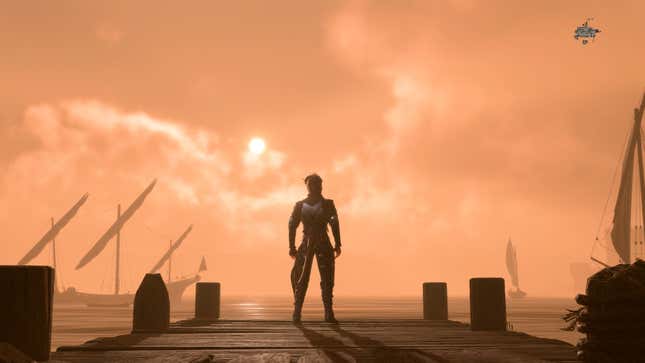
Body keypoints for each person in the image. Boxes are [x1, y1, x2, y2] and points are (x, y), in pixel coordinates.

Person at [289, 173, 342, 323]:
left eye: (317, 184)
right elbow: (292, 225)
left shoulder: (328, 204)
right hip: (307, 243)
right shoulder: (300, 205)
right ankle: (297, 311)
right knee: (300, 277)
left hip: (322, 242)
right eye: (312, 184)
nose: (315, 187)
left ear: (321, 185)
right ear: (308, 186)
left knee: (327, 278)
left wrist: (338, 243)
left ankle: (328, 312)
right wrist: (291, 246)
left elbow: (334, 224)